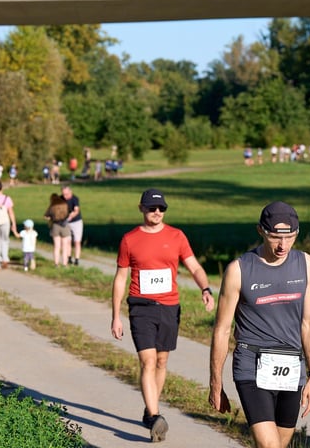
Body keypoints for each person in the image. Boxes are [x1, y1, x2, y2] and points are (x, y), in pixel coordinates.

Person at [209, 201, 310, 448]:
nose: (283, 246)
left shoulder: (307, 264)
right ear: (260, 231)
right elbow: (222, 329)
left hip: (292, 366)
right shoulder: (238, 270)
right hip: (252, 365)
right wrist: (216, 382)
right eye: (275, 238)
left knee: (278, 444)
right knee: (270, 445)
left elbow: (309, 322)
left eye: (290, 237)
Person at [110, 188, 215, 443]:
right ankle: (156, 416)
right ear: (141, 209)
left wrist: (206, 288)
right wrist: (115, 315)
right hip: (141, 306)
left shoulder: (176, 236)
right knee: (147, 361)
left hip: (169, 307)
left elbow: (194, 266)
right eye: (152, 208)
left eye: (161, 209)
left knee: (161, 361)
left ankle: (150, 406)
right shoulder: (129, 239)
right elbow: (121, 278)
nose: (157, 212)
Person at [44, 192, 71, 267]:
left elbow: (46, 216)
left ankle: (56, 263)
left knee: (57, 246)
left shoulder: (52, 206)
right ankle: (65, 263)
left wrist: (51, 218)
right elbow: (69, 214)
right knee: (65, 246)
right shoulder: (65, 205)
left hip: (55, 226)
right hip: (64, 226)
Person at [62, 184, 83, 265]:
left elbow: (76, 210)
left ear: (70, 192)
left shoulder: (75, 199)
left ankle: (77, 259)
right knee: (68, 241)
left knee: (77, 241)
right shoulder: (61, 199)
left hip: (76, 222)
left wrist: (70, 216)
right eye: (63, 194)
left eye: (66, 194)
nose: (65, 196)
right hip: (66, 223)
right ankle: (69, 257)